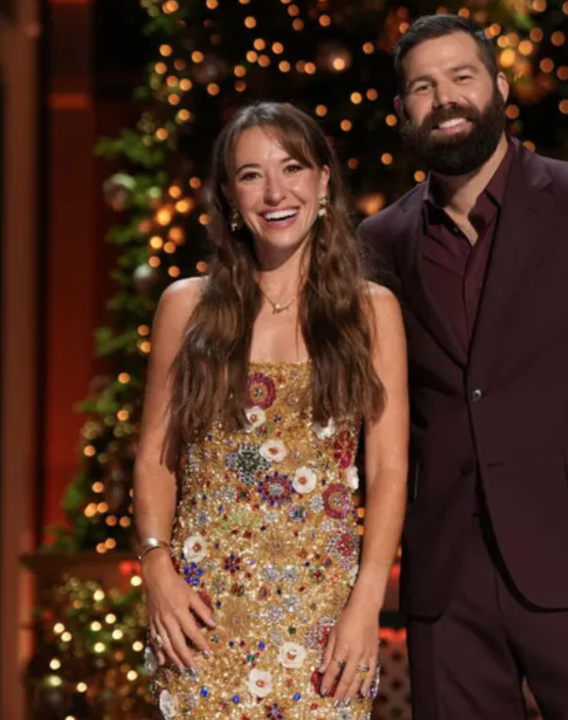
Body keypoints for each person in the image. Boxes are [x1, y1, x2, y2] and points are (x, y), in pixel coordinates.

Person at [357, 14, 568, 719]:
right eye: (423, 87)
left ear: (500, 88)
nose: (445, 98)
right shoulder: (381, 240)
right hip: (447, 581)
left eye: (462, 77)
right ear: (402, 110)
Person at [133, 101, 408, 720]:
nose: (275, 192)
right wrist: (156, 568)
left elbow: (389, 470)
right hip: (202, 616)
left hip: (325, 622)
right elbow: (155, 457)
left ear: (323, 181)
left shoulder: (371, 312)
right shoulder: (187, 307)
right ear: (230, 195)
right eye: (251, 175)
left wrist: (367, 604)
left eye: (292, 168)